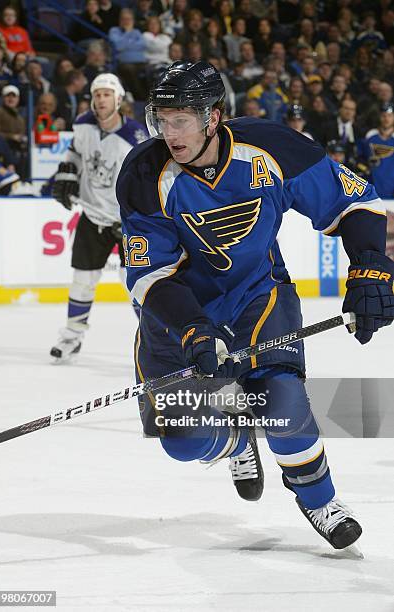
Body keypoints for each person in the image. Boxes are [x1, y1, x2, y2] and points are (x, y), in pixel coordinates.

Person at [116, 61, 394, 550]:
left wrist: (369, 265)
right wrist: (194, 330)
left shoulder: (274, 148)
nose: (169, 132)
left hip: (255, 296)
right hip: (178, 315)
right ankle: (236, 439)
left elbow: (354, 202)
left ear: (213, 117)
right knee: (185, 443)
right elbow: (150, 274)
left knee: (282, 403)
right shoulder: (144, 173)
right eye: (161, 118)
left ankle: (319, 499)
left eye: (181, 119)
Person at [50, 73, 148, 361]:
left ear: (118, 99)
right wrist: (67, 171)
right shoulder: (82, 124)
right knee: (83, 279)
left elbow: (146, 180)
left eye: (106, 94)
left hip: (126, 221)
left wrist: (136, 217)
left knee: (135, 282)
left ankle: (153, 339)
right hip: (92, 216)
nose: (100, 99)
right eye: (96, 94)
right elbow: (74, 153)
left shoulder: (136, 136)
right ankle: (71, 337)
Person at [359, 102, 394, 199]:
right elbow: (360, 160)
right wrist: (365, 170)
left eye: (390, 116)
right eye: (383, 116)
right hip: (371, 190)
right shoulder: (369, 136)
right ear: (379, 117)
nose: (386, 119)